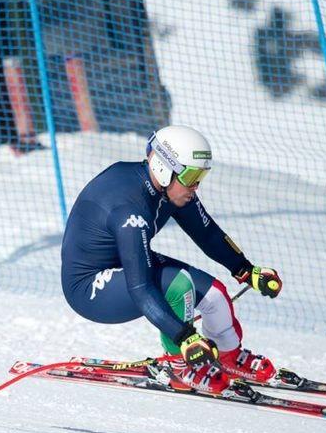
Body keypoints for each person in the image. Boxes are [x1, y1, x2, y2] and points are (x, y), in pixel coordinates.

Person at [60, 125, 282, 394]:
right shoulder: (131, 210)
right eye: (192, 176)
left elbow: (206, 232)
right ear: (165, 168)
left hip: (124, 264)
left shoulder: (170, 188)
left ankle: (228, 358)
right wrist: (184, 337)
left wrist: (246, 270)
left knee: (215, 295)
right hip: (90, 287)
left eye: (201, 176)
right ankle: (179, 368)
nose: (197, 185)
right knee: (179, 287)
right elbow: (140, 287)